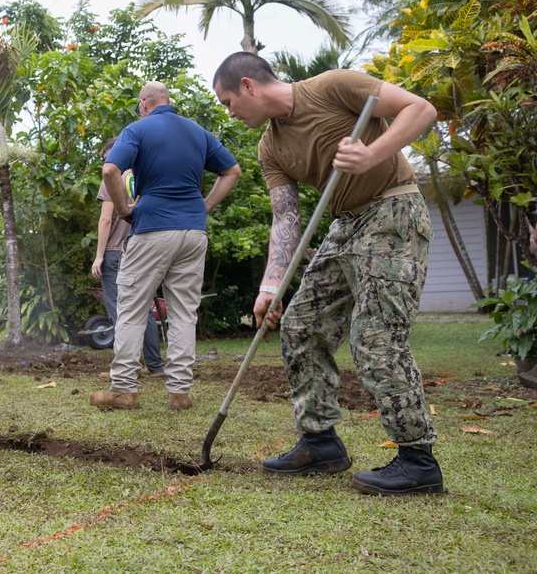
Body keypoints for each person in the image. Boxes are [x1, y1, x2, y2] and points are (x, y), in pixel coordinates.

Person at [212, 51, 442, 495]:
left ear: (247, 85)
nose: (230, 112)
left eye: (226, 101)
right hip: (345, 224)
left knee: (376, 336)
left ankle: (417, 459)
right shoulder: (270, 147)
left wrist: (370, 153)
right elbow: (285, 220)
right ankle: (321, 443)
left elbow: (422, 109)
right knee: (300, 325)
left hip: (392, 209)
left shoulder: (332, 86)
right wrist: (270, 285)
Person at [90, 82, 241, 411]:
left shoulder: (137, 130)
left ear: (144, 104)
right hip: (193, 233)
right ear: (168, 101)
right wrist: (203, 206)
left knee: (130, 310)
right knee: (185, 314)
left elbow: (110, 170)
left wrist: (123, 210)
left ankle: (124, 390)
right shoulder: (197, 132)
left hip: (152, 230)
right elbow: (232, 171)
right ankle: (179, 393)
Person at [92, 138, 164, 379]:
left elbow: (105, 220)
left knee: (119, 311)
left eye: (106, 159)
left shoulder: (113, 176)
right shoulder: (143, 175)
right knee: (143, 309)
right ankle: (155, 366)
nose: (106, 164)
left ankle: (124, 368)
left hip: (116, 252)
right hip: (142, 249)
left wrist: (99, 256)